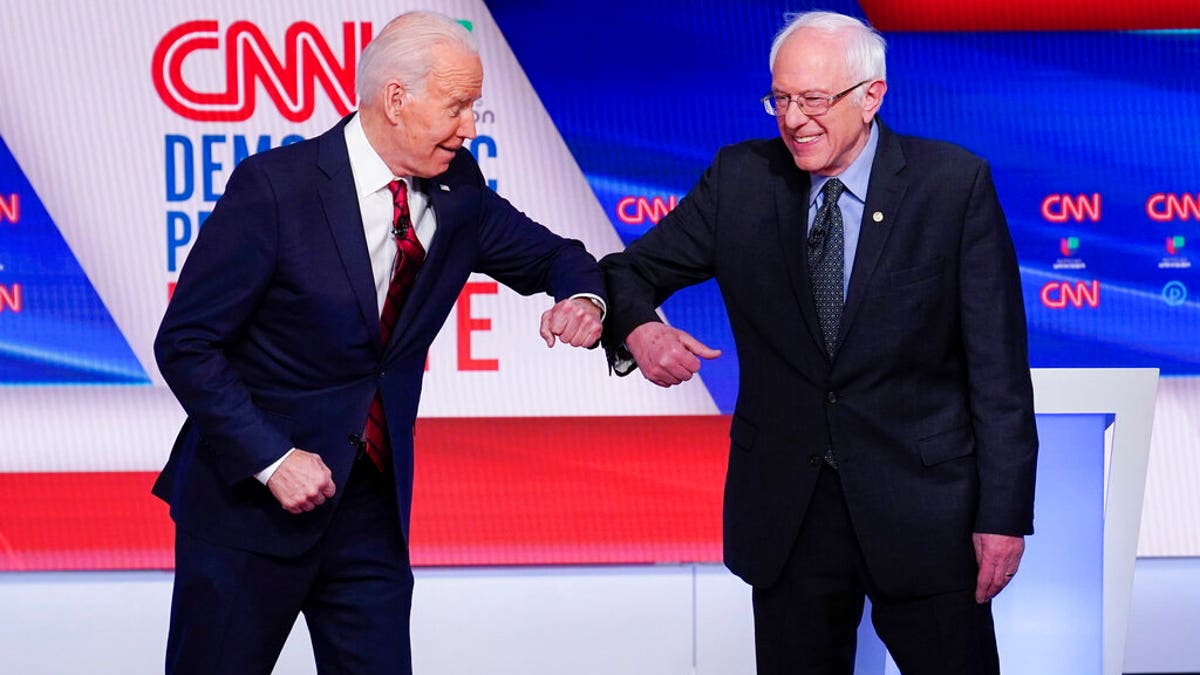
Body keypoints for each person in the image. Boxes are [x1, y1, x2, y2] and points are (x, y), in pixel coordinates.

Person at [153, 11, 605, 674]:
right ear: (396, 99)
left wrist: (583, 297)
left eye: (475, 109)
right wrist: (274, 459)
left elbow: (556, 256)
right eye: (457, 107)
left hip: (369, 513)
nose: (470, 128)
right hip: (247, 511)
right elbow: (187, 343)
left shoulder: (458, 191)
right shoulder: (276, 188)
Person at [601, 10, 1037, 674]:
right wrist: (642, 326)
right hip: (790, 514)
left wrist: (1004, 514)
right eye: (780, 98)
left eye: (812, 100)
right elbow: (626, 271)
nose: (793, 119)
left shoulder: (951, 186)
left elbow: (999, 371)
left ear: (872, 96)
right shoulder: (742, 180)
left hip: (923, 512)